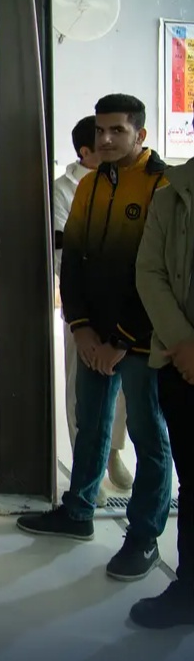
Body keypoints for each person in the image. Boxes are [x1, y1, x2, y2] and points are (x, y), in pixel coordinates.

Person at [17, 94, 173, 584]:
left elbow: (159, 273)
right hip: (92, 336)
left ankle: (143, 536)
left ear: (140, 134)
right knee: (91, 424)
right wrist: (81, 328)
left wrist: (119, 341)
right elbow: (75, 262)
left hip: (141, 341)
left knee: (149, 435)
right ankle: (78, 510)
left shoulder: (162, 186)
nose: (105, 139)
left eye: (117, 131)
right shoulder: (89, 186)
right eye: (100, 130)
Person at [132, 129, 194, 627]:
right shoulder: (171, 196)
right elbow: (149, 272)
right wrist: (183, 342)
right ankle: (189, 590)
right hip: (182, 362)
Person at [54, 115, 133, 501]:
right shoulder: (63, 190)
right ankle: (89, 469)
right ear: (85, 151)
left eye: (115, 133)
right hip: (83, 306)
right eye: (101, 138)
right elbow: (63, 250)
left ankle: (113, 453)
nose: (109, 142)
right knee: (82, 390)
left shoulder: (133, 182)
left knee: (122, 391)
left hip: (128, 307)